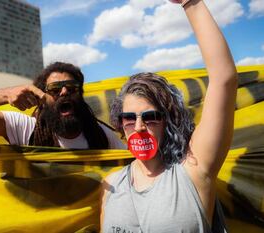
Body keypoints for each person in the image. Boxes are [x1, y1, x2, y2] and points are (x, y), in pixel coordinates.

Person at [101, 0, 237, 232]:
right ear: (120, 123)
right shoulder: (111, 184)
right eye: (129, 118)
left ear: (168, 121)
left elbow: (224, 78)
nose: (140, 126)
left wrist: (190, 3)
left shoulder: (194, 169)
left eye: (151, 116)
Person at [0, 62, 126, 149]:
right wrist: (6, 94)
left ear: (80, 94)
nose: (64, 92)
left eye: (71, 88)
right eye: (55, 89)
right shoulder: (24, 128)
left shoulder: (103, 136)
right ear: (42, 97)